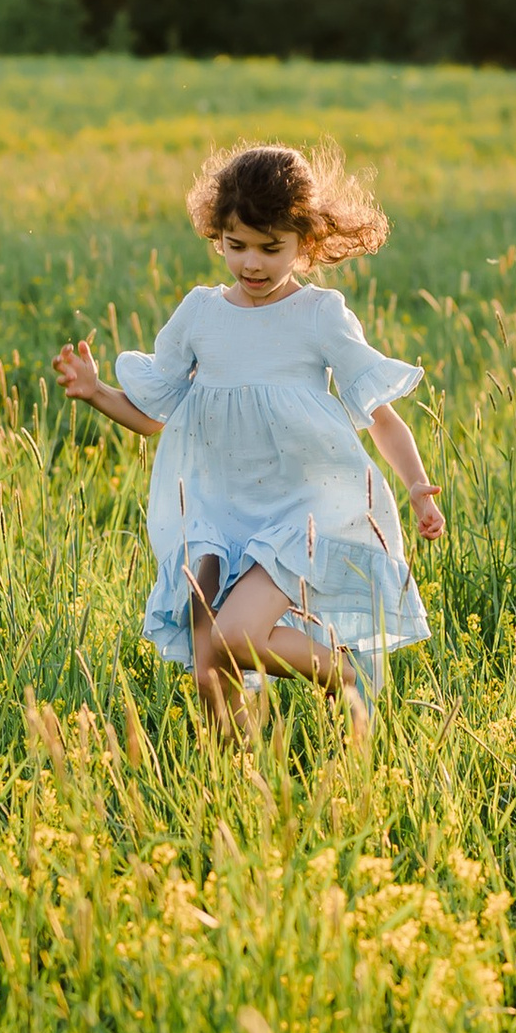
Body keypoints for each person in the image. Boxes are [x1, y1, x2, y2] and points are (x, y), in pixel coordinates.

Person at [52, 141, 444, 741]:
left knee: (236, 637)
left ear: (306, 245)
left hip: (298, 510)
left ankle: (341, 674)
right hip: (215, 509)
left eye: (271, 248)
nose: (252, 264)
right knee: (210, 661)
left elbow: (381, 416)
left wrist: (418, 488)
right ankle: (236, 782)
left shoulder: (319, 315)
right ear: (217, 236)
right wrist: (97, 391)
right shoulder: (201, 314)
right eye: (236, 246)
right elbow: (161, 416)